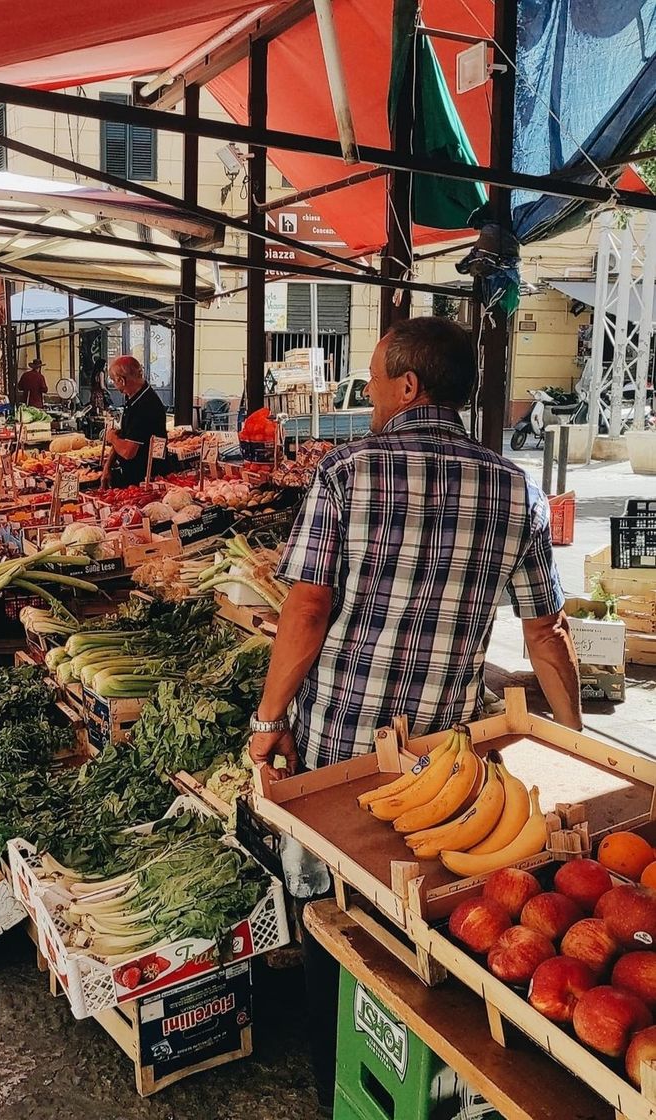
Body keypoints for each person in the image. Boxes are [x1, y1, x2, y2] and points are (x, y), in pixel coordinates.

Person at [247, 316, 581, 1106]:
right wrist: (573, 740)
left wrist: (267, 722)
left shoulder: (347, 470)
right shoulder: (512, 485)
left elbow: (306, 606)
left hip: (340, 746)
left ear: (407, 385)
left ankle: (334, 1066)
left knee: (337, 906)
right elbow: (545, 630)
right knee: (426, 905)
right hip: (443, 755)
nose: (366, 395)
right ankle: (410, 1064)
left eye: (371, 379)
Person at [101, 356, 167, 488]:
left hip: (144, 480)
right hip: (132, 475)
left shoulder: (145, 405)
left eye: (114, 381)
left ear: (122, 380)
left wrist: (111, 437)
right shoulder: (133, 397)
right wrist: (108, 466)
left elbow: (128, 452)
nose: (114, 385)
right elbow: (124, 436)